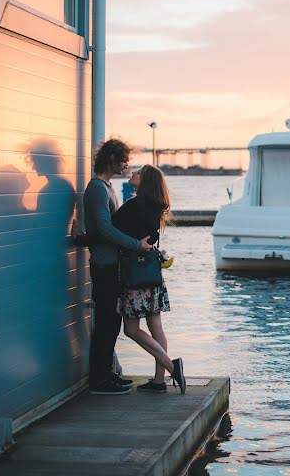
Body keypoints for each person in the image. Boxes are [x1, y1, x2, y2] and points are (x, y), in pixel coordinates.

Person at [83, 139, 153, 395]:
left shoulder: (107, 187)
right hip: (104, 266)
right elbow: (104, 228)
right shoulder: (97, 190)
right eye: (122, 160)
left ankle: (107, 374)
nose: (125, 165)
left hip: (112, 265)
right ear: (112, 159)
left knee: (112, 323)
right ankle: (99, 381)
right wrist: (136, 245)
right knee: (105, 323)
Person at [113, 164, 186, 394]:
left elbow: (108, 229)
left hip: (134, 276)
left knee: (131, 330)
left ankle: (170, 366)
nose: (132, 174)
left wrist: (81, 240)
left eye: (137, 173)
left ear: (144, 181)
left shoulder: (134, 206)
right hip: (151, 274)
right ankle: (158, 381)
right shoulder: (156, 208)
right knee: (155, 326)